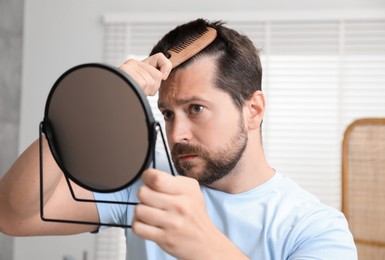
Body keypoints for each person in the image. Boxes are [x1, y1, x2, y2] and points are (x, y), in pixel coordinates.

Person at [0, 18, 357, 259]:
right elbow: (13, 216)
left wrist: (203, 243)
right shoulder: (148, 184)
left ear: (254, 110)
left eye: (196, 109)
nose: (176, 133)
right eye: (168, 113)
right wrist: (94, 104)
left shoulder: (315, 227)